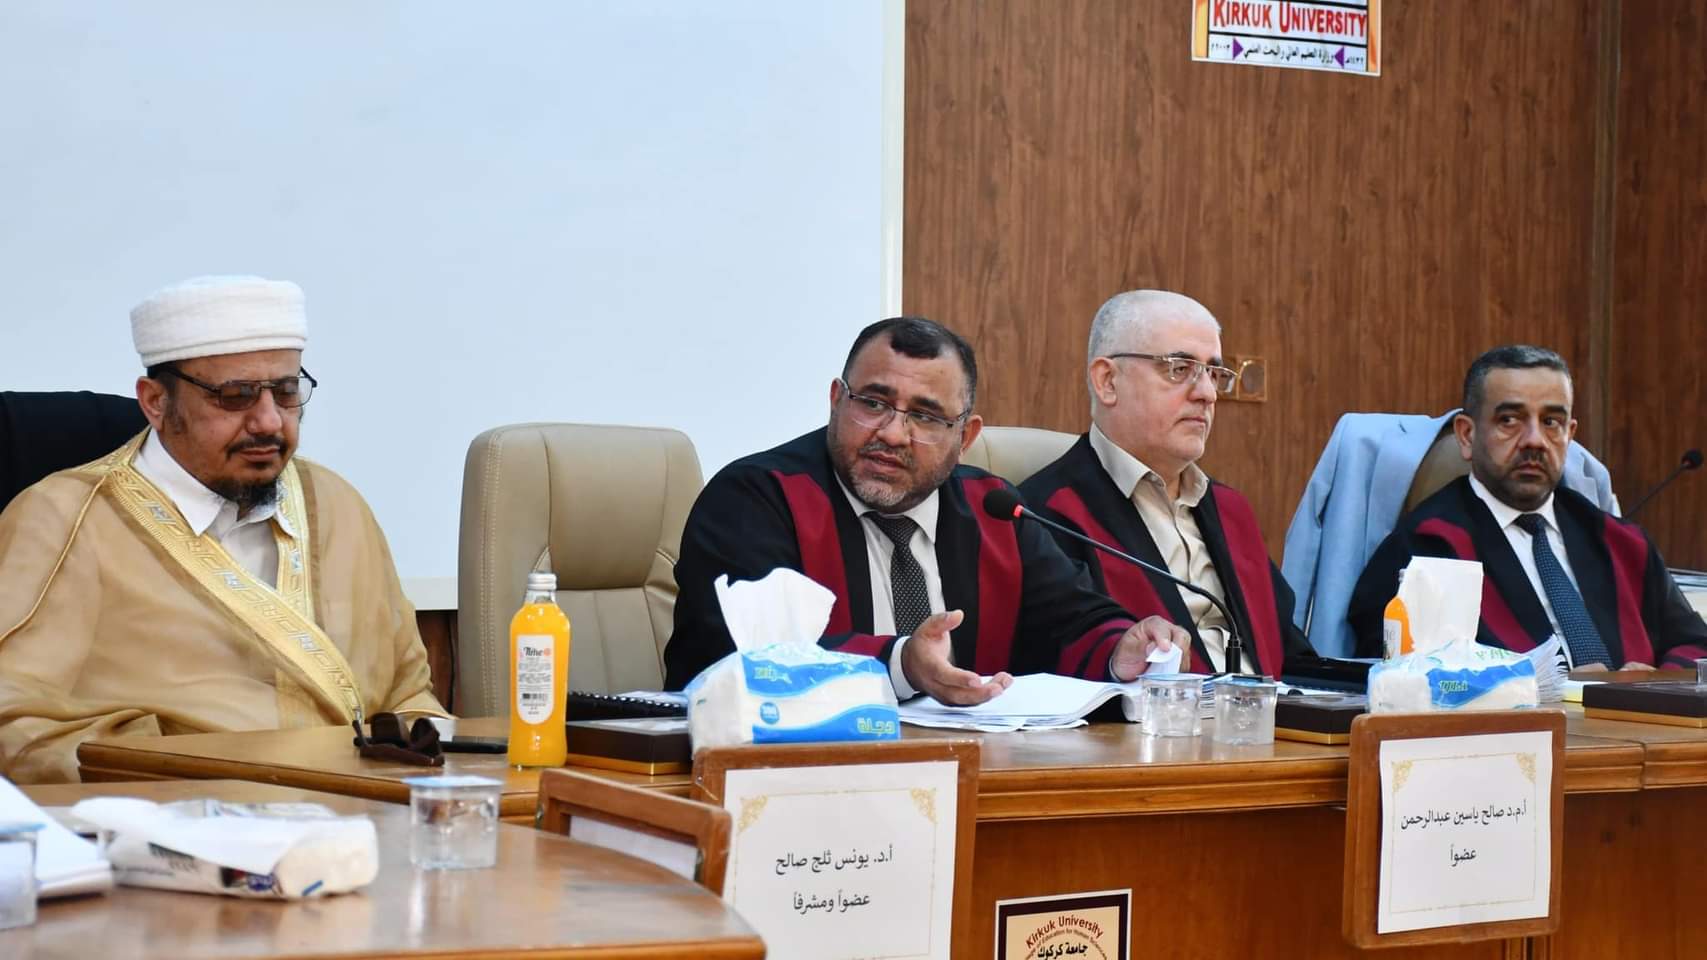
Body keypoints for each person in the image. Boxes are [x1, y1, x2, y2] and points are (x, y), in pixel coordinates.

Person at [0, 276, 445, 783]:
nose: (269, 422)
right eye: (235, 396)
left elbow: (410, 695)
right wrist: (191, 786)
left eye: (286, 392)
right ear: (155, 402)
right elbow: (17, 730)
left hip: (372, 812)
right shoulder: (62, 519)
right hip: (175, 815)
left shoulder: (336, 503)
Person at [662, 316, 1187, 703]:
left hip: (974, 774)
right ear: (836, 401)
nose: (893, 433)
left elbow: (1070, 622)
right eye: (873, 403)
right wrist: (901, 664)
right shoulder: (759, 498)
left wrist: (1120, 649)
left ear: (966, 437)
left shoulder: (994, 511)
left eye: (926, 417)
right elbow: (744, 653)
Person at [1348, 345, 1707, 667]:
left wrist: (1651, 686)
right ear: (1467, 435)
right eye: (1509, 420)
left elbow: (1695, 646)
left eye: (1551, 422)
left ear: (1570, 435)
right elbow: (1398, 675)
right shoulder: (1424, 548)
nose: (1535, 441)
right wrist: (1550, 689)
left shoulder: (1622, 543)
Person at [1020, 290, 1312, 675]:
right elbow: (1065, 659)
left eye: (1214, 373)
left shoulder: (1230, 510)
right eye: (1179, 368)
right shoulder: (1047, 513)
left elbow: (1291, 654)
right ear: (1108, 381)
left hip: (1266, 710)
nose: (1207, 394)